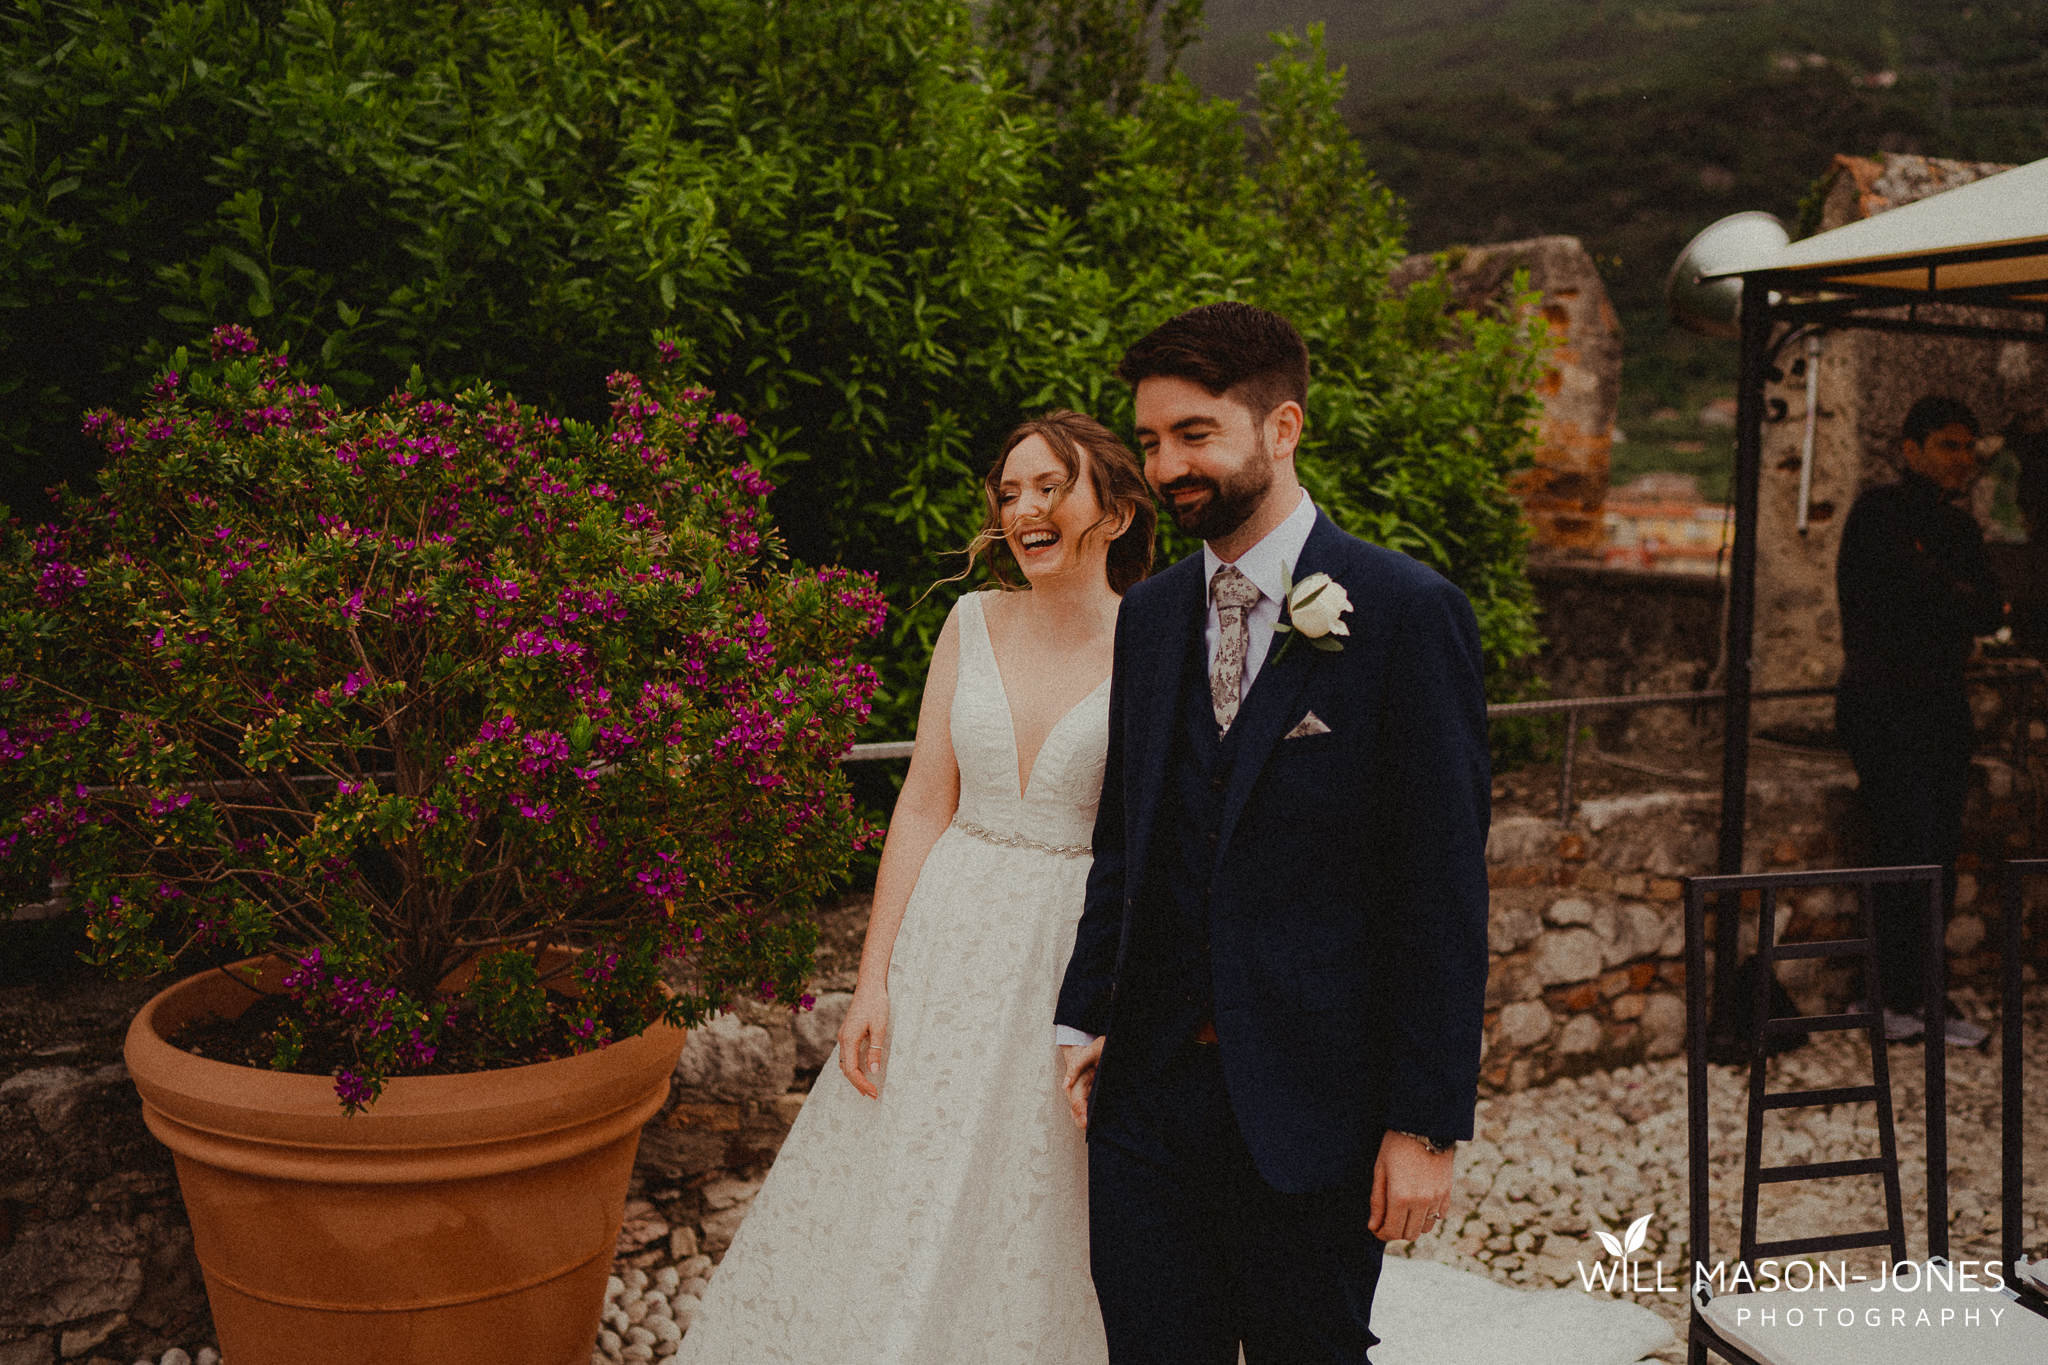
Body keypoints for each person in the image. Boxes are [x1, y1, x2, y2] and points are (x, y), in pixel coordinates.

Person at [1054, 302, 1490, 1365]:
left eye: (1194, 435)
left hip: (1316, 1109)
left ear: (1281, 427)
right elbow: (1127, 840)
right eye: (1151, 442)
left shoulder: (1402, 610)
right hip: (1146, 1106)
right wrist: (1083, 1019)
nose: (1165, 468)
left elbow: (1440, 887)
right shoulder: (1151, 616)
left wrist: (1424, 1124)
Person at [676, 410, 1152, 1365]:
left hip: (1065, 945)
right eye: (1010, 492)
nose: (1024, 510)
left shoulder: (1153, 639)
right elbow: (923, 804)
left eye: (1049, 487)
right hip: (949, 929)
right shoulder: (970, 619)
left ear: (1116, 507)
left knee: (1033, 1183)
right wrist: (876, 976)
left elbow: (1153, 838)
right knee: (902, 1165)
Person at [1835, 395, 2003, 1047]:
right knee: (1904, 838)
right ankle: (1896, 995)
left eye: (1969, 447)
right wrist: (1955, 598)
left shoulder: (1958, 528)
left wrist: (1954, 597)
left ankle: (1914, 991)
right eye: (1948, 445)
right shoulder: (1878, 513)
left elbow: (1986, 606)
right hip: (1886, 702)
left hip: (1939, 704)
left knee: (1936, 846)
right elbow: (1915, 589)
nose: (1962, 459)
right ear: (1911, 449)